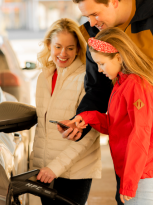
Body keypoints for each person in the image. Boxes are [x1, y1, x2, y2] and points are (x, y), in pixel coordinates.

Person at [57, 0, 153, 204]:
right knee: (127, 196)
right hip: (130, 131)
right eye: (86, 16)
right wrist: (82, 119)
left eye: (95, 14)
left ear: (114, 2)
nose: (91, 22)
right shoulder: (95, 32)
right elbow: (97, 88)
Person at [72, 27, 153, 204]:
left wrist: (129, 183)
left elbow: (140, 134)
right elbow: (116, 125)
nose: (99, 70)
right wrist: (86, 117)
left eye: (101, 64)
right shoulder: (122, 83)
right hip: (135, 170)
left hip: (142, 171)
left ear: (118, 57)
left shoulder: (136, 84)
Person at [29, 18, 101, 205]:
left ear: (78, 48)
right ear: (48, 45)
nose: (63, 53)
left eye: (70, 47)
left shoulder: (86, 78)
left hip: (74, 173)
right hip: (46, 171)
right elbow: (42, 126)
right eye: (58, 46)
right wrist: (39, 166)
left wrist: (55, 168)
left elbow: (89, 133)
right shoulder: (43, 77)